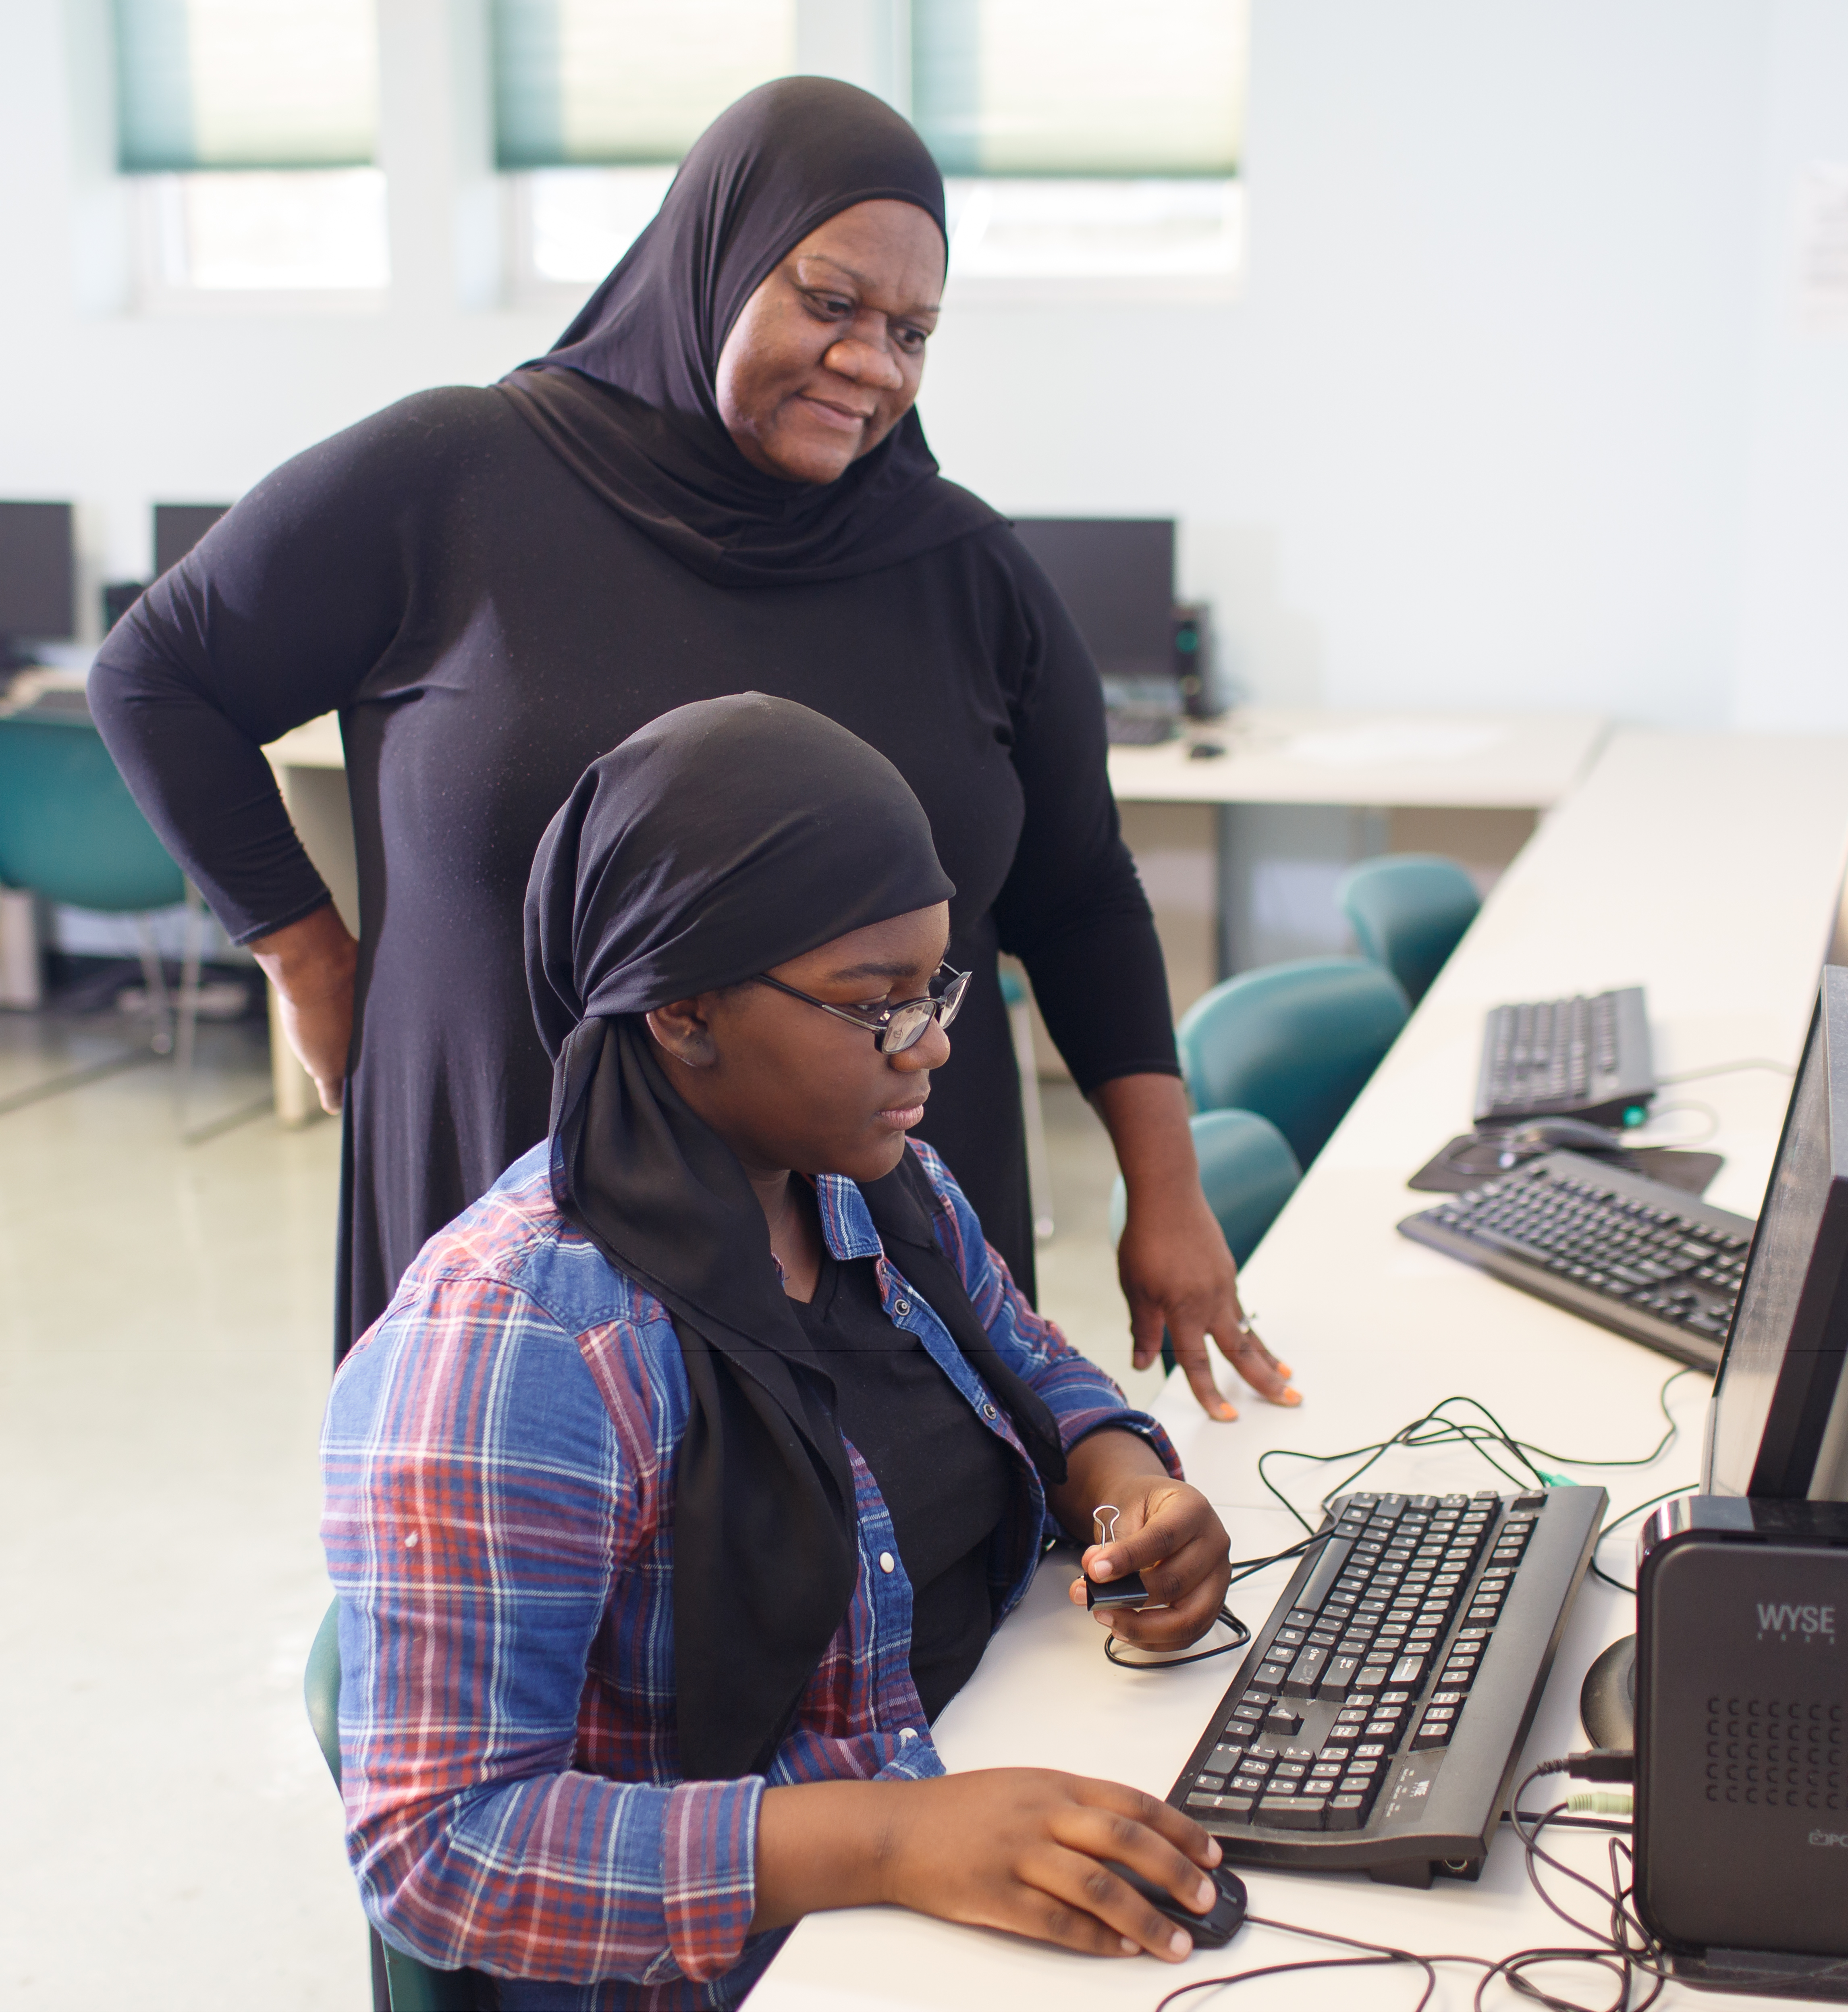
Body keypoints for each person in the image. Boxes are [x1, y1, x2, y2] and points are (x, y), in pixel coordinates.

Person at [88, 77, 1294, 1420]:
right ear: (712, 262)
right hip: (531, 1222)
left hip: (879, 1250)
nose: (872, 365)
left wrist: (1167, 1198)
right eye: (828, 304)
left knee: (928, 1599)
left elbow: (1081, 894)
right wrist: (308, 957)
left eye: (913, 332)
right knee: (540, 1589)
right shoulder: (458, 480)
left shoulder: (962, 569)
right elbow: (157, 676)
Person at [321, 697, 1235, 2007]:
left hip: (977, 1789)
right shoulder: (517, 1347)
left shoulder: (871, 1185)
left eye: (936, 988)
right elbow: (437, 1849)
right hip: (775, 1963)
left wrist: (1125, 1485)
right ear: (684, 1014)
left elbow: (1033, 1367)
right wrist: (889, 1838)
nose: (934, 1044)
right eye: (876, 1006)